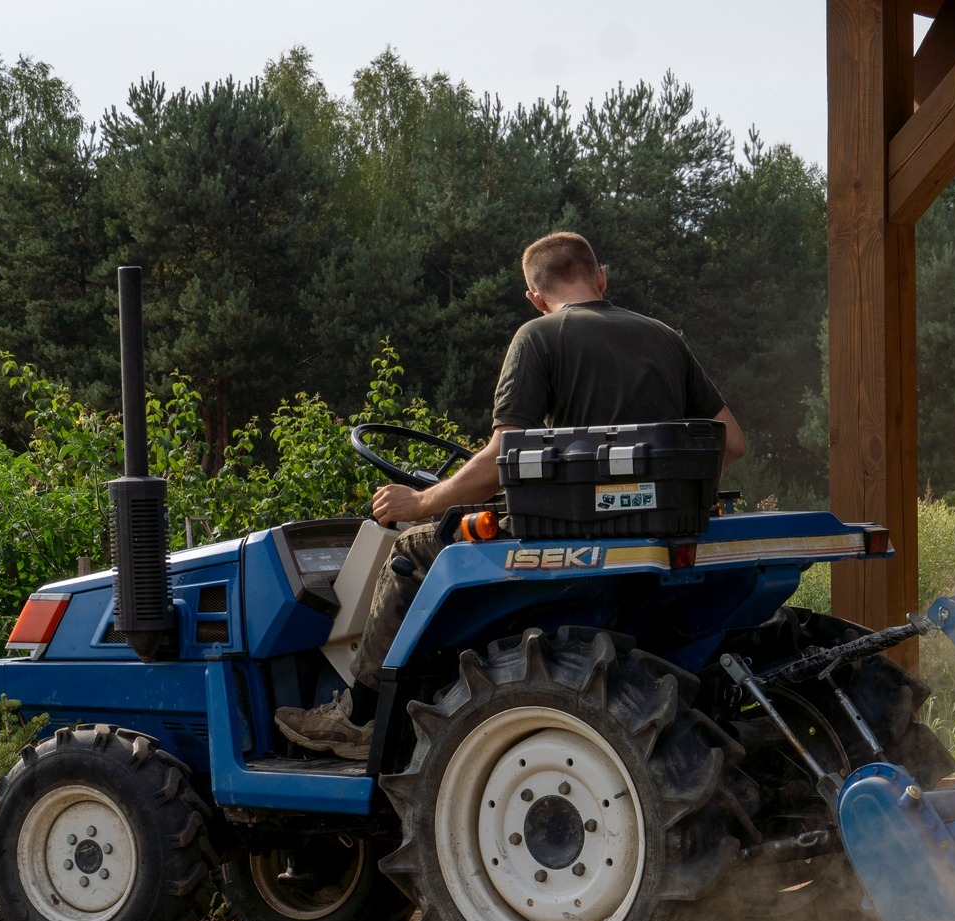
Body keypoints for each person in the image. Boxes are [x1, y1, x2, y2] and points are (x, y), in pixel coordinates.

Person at [276, 231, 747, 758]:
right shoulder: (664, 337)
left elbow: (502, 457)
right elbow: (733, 440)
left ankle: (358, 718)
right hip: (655, 532)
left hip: (571, 534)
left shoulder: (539, 336)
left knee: (411, 552)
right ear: (600, 277)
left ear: (535, 296)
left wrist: (421, 504)